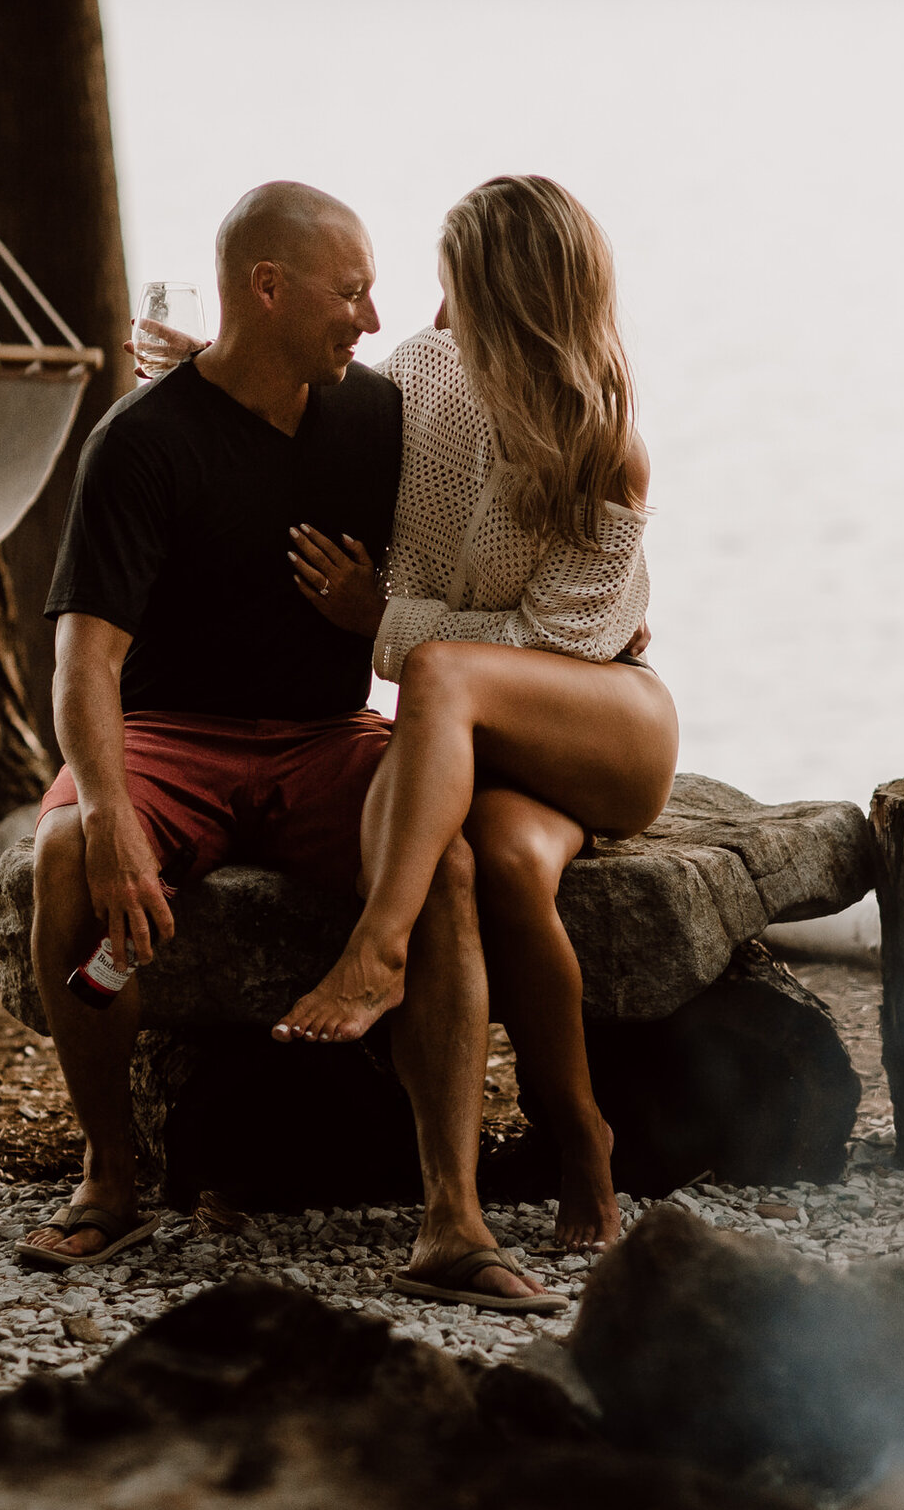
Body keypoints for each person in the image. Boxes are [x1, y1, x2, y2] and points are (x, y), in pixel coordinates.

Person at [17, 180, 562, 1314]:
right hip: (169, 735)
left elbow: (510, 479)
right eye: (350, 290)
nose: (371, 317)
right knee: (67, 856)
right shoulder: (141, 442)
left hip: (328, 737)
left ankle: (452, 1219)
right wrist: (113, 812)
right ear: (265, 288)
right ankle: (110, 1180)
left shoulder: (381, 414)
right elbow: (85, 665)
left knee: (444, 864)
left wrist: (593, 609)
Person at [268, 176, 679, 1253]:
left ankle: (376, 948)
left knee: (442, 676)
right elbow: (301, 426)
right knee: (499, 860)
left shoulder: (602, 445)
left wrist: (384, 622)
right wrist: (178, 377)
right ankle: (582, 1139)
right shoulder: (415, 380)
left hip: (607, 727)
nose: (432, 310)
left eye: (454, 287)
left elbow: (562, 644)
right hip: (479, 743)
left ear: (504, 302)